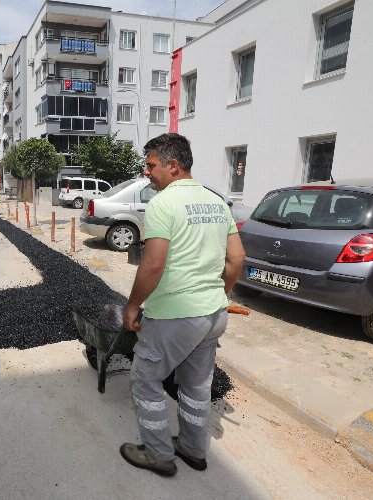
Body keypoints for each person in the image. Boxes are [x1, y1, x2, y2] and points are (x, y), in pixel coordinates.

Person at [119, 133, 246, 477]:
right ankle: (192, 449)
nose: (146, 172)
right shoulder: (217, 202)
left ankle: (159, 455)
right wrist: (219, 293)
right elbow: (236, 258)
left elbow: (153, 264)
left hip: (175, 318)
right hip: (213, 315)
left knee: (146, 380)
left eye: (151, 165)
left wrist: (132, 307)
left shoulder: (163, 204)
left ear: (173, 166)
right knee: (195, 386)